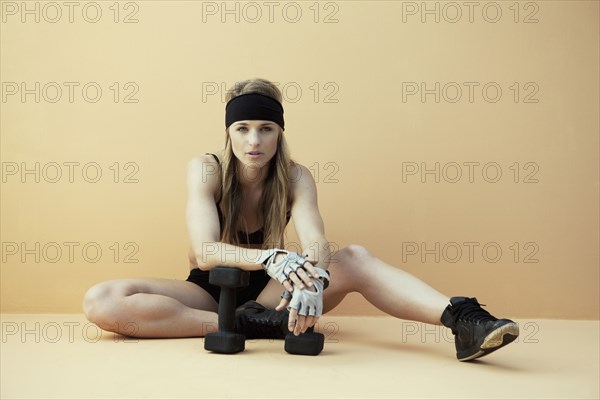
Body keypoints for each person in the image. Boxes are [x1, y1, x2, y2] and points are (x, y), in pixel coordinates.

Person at [83, 78, 519, 361]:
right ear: (229, 132)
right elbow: (205, 251)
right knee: (103, 300)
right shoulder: (207, 168)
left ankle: (464, 320)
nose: (254, 141)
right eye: (243, 129)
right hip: (212, 288)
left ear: (280, 132)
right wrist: (271, 256)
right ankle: (248, 323)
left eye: (266, 129)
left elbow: (315, 242)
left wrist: (314, 279)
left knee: (355, 257)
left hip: (276, 290)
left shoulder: (295, 176)